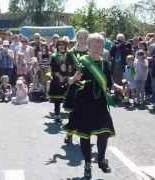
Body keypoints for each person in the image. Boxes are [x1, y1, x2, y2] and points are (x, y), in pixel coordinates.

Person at [68, 33, 117, 179]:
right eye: (94, 45)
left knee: (104, 133)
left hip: (100, 103)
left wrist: (117, 87)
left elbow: (109, 83)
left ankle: (101, 159)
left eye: (100, 45)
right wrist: (74, 78)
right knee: (85, 135)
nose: (97, 47)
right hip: (84, 104)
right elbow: (70, 81)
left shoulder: (105, 64)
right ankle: (88, 164)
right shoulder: (82, 62)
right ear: (88, 46)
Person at [63, 29, 89, 144]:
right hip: (74, 85)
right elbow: (66, 69)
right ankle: (69, 134)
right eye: (80, 37)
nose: (82, 40)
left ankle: (85, 133)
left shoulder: (91, 52)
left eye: (85, 37)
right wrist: (70, 78)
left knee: (87, 112)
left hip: (88, 85)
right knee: (73, 112)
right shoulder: (70, 53)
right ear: (76, 38)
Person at [48, 39, 69, 121]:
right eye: (59, 44)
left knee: (69, 97)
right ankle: (57, 113)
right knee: (57, 98)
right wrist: (60, 76)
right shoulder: (54, 56)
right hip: (57, 78)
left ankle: (71, 114)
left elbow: (71, 67)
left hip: (67, 78)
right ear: (57, 46)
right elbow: (53, 68)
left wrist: (67, 76)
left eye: (63, 44)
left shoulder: (69, 55)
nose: (61, 46)